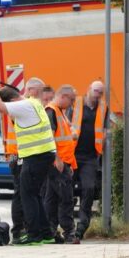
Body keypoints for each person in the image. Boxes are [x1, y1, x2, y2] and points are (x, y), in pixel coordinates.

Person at [0, 83, 59, 245]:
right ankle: (47, 234)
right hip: (44, 154)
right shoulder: (33, 102)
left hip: (36, 155)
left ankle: (34, 235)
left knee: (27, 196)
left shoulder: (22, 105)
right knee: (35, 195)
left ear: (13, 101)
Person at [2, 77, 45, 242]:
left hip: (20, 154)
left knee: (25, 194)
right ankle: (19, 231)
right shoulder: (22, 106)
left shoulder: (22, 105)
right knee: (21, 194)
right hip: (18, 155)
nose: (40, 96)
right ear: (32, 90)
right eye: (39, 92)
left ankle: (25, 229)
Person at [71, 81, 108, 240]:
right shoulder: (76, 104)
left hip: (90, 156)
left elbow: (105, 129)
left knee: (89, 188)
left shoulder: (103, 108)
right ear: (88, 90)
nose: (98, 95)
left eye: (100, 92)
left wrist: (104, 141)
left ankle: (82, 225)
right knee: (66, 189)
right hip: (72, 153)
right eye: (96, 91)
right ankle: (65, 226)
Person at [44, 85, 78, 244]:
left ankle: (50, 231)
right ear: (63, 96)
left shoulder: (59, 112)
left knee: (52, 199)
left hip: (61, 163)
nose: (72, 104)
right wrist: (57, 159)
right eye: (71, 100)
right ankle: (69, 232)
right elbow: (49, 138)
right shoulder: (52, 111)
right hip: (58, 163)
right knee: (66, 198)